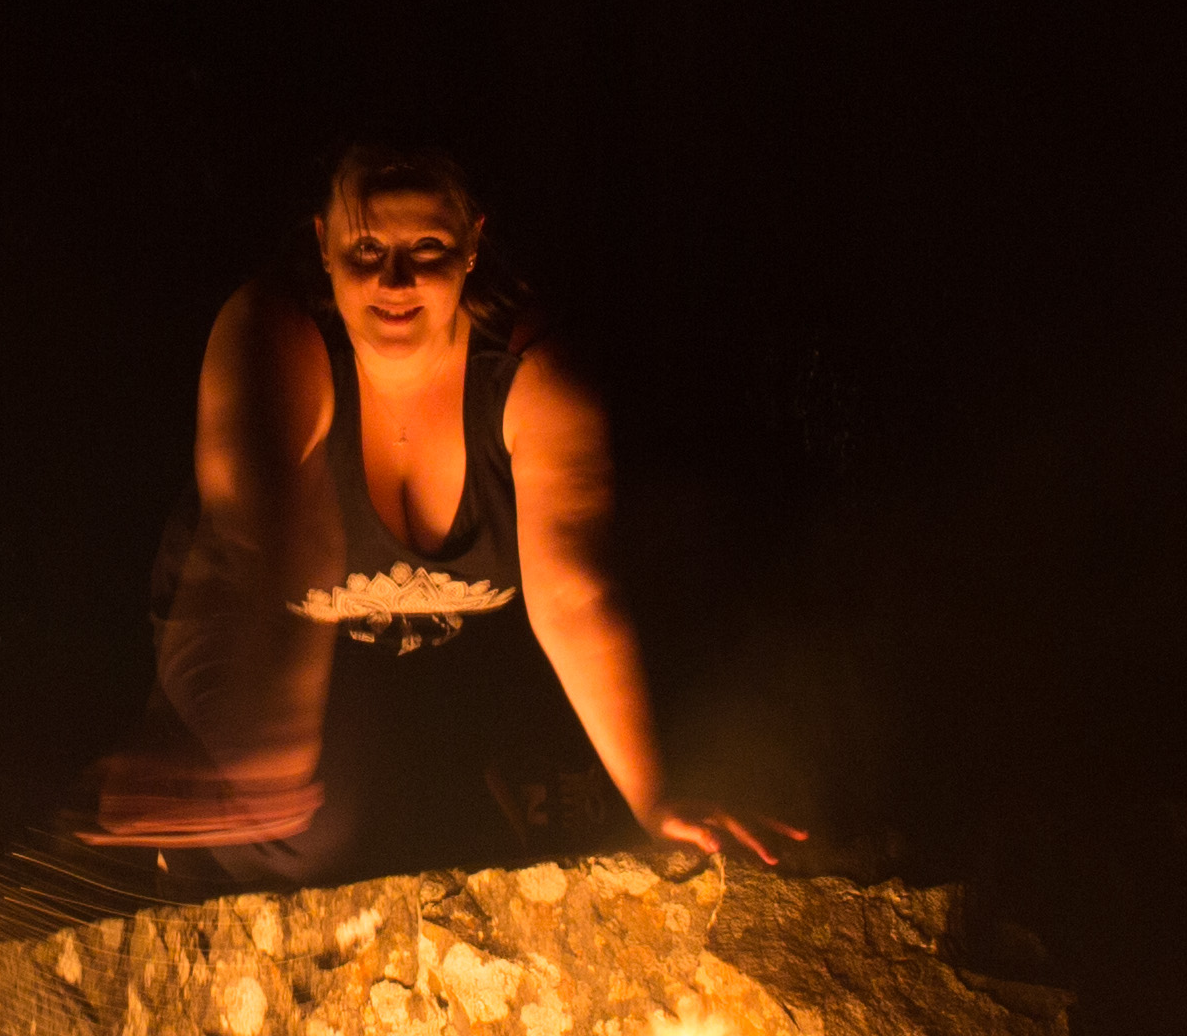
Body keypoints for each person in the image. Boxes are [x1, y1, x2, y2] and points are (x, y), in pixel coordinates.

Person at [80, 141, 791, 891]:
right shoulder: (273, 332)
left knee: (480, 824)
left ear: (473, 243)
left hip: (432, 660)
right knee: (305, 833)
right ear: (322, 242)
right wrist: (265, 762)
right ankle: (188, 837)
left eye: (427, 248)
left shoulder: (533, 376)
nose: (396, 280)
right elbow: (266, 548)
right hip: (248, 618)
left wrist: (656, 797)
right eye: (367, 248)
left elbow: (574, 597)